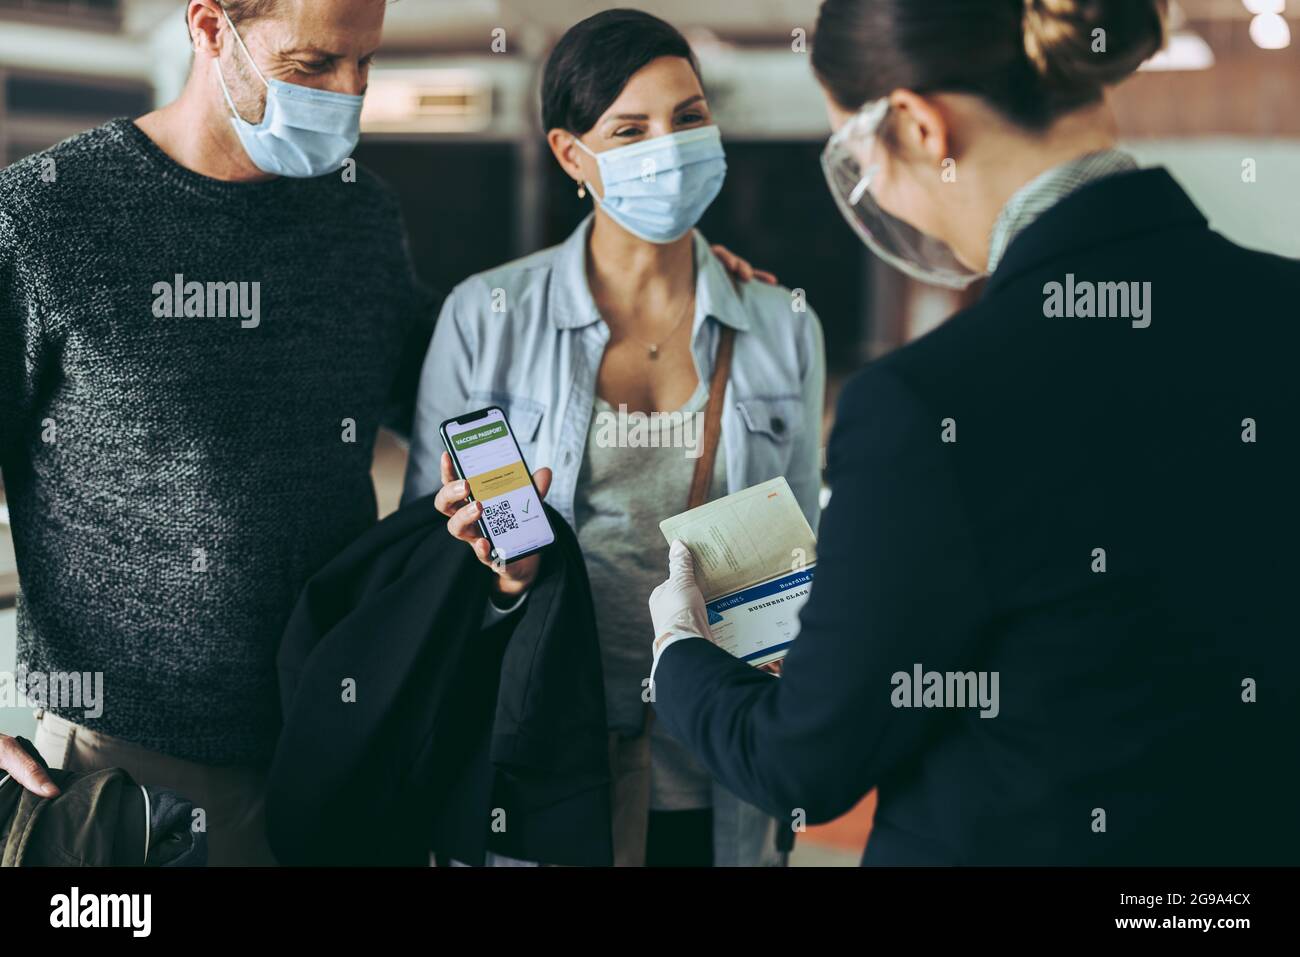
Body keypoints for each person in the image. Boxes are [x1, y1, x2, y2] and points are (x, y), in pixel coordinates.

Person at [649, 0, 1300, 865]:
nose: (871, 190)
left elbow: (804, 761)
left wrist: (678, 652)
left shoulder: (923, 406)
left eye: (857, 154)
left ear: (921, 125)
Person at [0, 0, 432, 864]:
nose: (349, 95)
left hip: (335, 747)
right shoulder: (46, 215)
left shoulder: (362, 219)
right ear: (207, 28)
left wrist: (648, 276)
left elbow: (448, 388)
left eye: (366, 64)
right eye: (313, 67)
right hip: (118, 776)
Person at [404, 9, 826, 867]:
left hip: (719, 760)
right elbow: (427, 568)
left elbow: (800, 558)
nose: (667, 147)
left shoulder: (782, 326)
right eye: (629, 130)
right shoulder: (487, 320)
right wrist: (502, 574)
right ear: (571, 155)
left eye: (689, 117)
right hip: (541, 763)